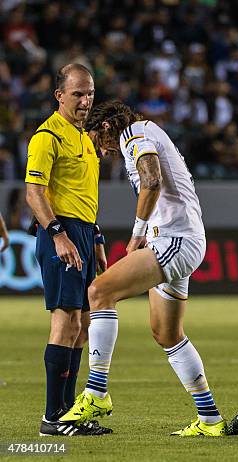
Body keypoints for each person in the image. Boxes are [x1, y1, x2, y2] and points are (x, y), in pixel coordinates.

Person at [60, 100, 225, 437]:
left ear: (105, 126)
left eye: (95, 139)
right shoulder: (145, 132)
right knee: (167, 334)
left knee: (99, 291)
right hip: (183, 239)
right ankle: (210, 419)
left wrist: (136, 236)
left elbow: (152, 182)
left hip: (174, 238)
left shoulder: (134, 134)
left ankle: (96, 393)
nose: (100, 151)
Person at [25, 63, 109, 437]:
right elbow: (34, 192)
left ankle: (68, 413)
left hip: (83, 233)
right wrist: (58, 235)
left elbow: (83, 196)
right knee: (66, 321)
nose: (85, 101)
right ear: (59, 95)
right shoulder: (48, 137)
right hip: (60, 232)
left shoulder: (82, 138)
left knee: (84, 325)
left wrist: (96, 237)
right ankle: (51, 417)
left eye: (90, 93)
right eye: (78, 94)